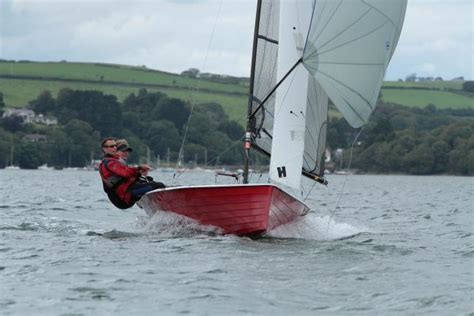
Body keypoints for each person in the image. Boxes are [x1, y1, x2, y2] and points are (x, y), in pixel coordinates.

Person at [98, 137, 165, 209]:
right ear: (104, 149)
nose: (114, 148)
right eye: (111, 146)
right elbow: (125, 173)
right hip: (124, 197)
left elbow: (125, 176)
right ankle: (165, 207)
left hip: (125, 194)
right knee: (158, 185)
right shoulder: (109, 163)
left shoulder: (113, 161)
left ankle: (154, 205)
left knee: (149, 181)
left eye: (115, 146)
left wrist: (139, 173)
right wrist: (139, 168)